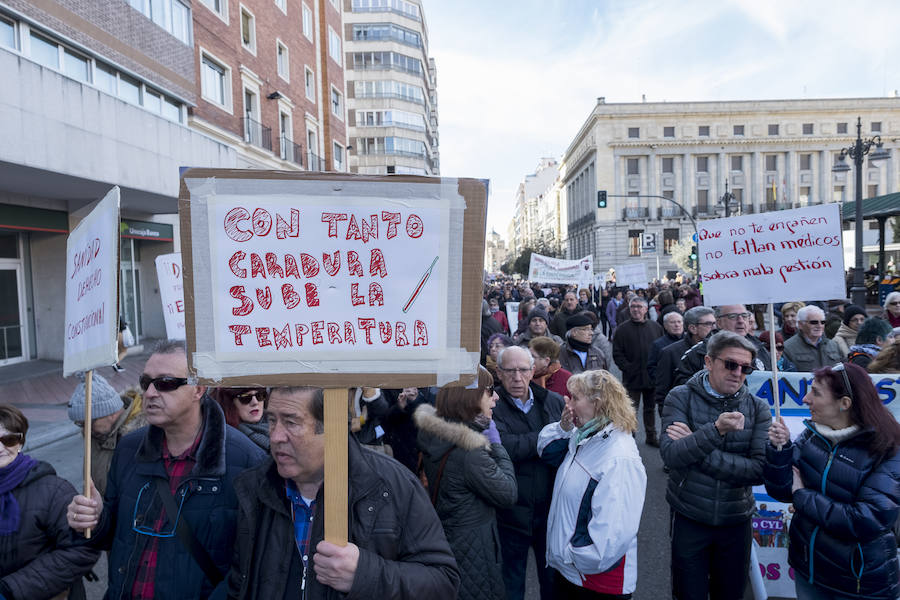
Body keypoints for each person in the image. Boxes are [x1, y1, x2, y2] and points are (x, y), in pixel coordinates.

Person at [67, 340, 267, 599]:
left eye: (165, 383)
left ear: (199, 389)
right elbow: (114, 537)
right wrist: (95, 518)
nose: (149, 393)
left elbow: (249, 569)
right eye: (145, 382)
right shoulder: (129, 448)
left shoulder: (247, 460)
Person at [227, 386, 460, 599]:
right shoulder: (254, 488)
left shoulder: (392, 486)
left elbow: (443, 582)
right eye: (272, 421)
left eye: (291, 422)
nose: (276, 436)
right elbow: (239, 584)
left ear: (332, 426)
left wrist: (365, 575)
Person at [765, 362, 900, 599]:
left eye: (816, 393)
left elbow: (865, 520)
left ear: (844, 404)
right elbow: (781, 489)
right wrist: (781, 450)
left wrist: (802, 496)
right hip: (810, 571)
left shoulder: (887, 449)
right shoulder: (812, 435)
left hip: (858, 583)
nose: (806, 399)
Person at [660, 331, 772, 600]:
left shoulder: (758, 408)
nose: (738, 373)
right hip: (690, 515)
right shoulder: (681, 397)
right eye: (730, 364)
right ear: (709, 362)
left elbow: (758, 470)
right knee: (688, 593)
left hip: (736, 520)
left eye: (745, 368)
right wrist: (716, 430)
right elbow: (672, 456)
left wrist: (697, 448)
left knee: (730, 593)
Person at [538, 370, 646, 598]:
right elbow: (546, 451)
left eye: (575, 398)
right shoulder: (586, 436)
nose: (568, 403)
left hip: (596, 583)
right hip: (572, 573)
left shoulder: (619, 457)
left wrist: (570, 555)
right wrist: (564, 427)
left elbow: (611, 536)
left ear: (597, 403)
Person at [415, 367, 518, 600]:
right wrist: (495, 444)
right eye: (490, 391)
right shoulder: (470, 451)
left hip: (450, 538)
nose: (497, 397)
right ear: (469, 397)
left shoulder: (436, 431)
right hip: (474, 548)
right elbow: (508, 493)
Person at [0, 404, 100, 600]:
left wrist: (10, 590)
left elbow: (82, 550)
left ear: (20, 442)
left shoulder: (54, 490)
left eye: (9, 439)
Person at [492, 345, 564, 600]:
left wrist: (528, 442)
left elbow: (565, 445)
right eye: (509, 371)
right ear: (498, 373)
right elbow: (504, 447)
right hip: (510, 513)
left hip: (550, 512)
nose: (517, 377)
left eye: (523, 370)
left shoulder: (552, 401)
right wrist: (547, 437)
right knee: (511, 583)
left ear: (533, 370)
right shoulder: (492, 404)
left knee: (553, 583)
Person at [67, 373, 146, 496]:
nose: (85, 430)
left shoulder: (141, 437)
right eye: (80, 424)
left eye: (89, 423)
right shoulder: (95, 435)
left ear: (111, 413)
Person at [674, 304, 771, 387]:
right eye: (733, 316)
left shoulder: (760, 349)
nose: (741, 320)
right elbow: (682, 388)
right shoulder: (699, 353)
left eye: (744, 315)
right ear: (719, 323)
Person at [613, 297, 664, 446]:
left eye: (639, 307)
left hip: (651, 377)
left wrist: (657, 370)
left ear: (646, 309)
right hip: (632, 377)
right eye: (633, 306)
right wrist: (628, 368)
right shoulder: (622, 329)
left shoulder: (655, 327)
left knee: (650, 408)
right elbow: (617, 353)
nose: (636, 309)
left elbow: (662, 350)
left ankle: (651, 435)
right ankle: (630, 437)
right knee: (630, 409)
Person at [653, 307, 716, 427]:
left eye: (714, 323)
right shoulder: (670, 352)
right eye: (708, 324)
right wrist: (669, 421)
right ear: (693, 328)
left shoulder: (718, 350)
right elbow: (663, 391)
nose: (714, 327)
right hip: (683, 419)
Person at [782, 305, 844, 372]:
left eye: (823, 322)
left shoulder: (834, 345)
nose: (819, 326)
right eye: (814, 322)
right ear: (800, 324)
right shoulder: (787, 348)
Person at [214, 387, 269, 451]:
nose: (255, 402)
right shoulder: (228, 441)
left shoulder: (278, 423)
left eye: (260, 395)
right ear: (230, 403)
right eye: (245, 398)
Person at [648, 311, 684, 382]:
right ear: (665, 326)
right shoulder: (658, 344)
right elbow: (651, 367)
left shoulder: (689, 341)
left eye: (679, 322)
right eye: (672, 322)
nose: (677, 325)